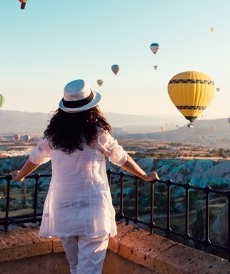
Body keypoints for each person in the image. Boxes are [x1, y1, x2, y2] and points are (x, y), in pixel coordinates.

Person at [10, 79, 159, 274]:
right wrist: (143, 175)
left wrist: (19, 176)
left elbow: (35, 159)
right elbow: (120, 157)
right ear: (92, 107)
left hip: (63, 209)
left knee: (75, 267)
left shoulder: (53, 136)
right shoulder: (97, 133)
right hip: (93, 211)